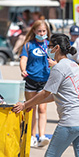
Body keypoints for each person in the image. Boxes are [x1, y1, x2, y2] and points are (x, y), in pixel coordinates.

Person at [20, 20, 55, 148]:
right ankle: (32, 136)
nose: (41, 33)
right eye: (39, 31)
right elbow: (23, 59)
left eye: (44, 31)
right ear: (34, 31)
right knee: (31, 107)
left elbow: (54, 60)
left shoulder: (49, 45)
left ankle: (42, 135)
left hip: (45, 80)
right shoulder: (29, 45)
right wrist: (23, 69)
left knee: (42, 108)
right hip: (31, 79)